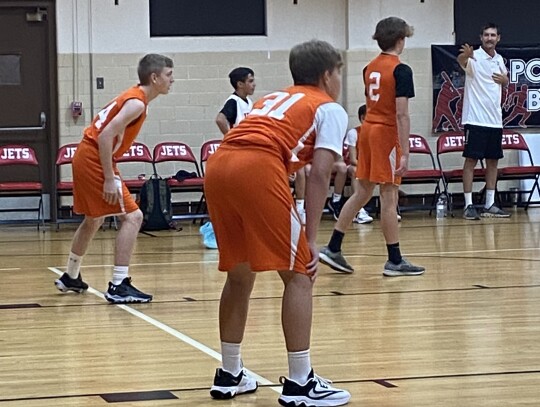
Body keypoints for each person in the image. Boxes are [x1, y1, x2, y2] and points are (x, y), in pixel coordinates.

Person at [205, 40, 351, 406]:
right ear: (327, 75)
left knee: (239, 274)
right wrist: (312, 238)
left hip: (219, 166)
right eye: (339, 72)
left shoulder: (271, 98)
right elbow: (319, 175)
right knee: (301, 273)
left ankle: (229, 373)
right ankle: (301, 382)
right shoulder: (330, 108)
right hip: (257, 167)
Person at [54, 54, 174, 303]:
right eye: (169, 75)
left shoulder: (136, 98)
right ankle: (118, 285)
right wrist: (109, 177)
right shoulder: (137, 103)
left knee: (94, 219)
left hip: (87, 155)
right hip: (94, 158)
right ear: (154, 77)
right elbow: (105, 135)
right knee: (133, 216)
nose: (173, 80)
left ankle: (71, 276)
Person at [319, 16, 425, 277]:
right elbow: (401, 114)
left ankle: (333, 246)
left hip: (367, 131)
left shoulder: (370, 67)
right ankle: (395, 260)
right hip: (386, 135)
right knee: (389, 197)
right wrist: (406, 151)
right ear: (401, 40)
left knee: (363, 192)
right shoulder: (401, 70)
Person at [458, 23, 510, 220]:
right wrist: (465, 56)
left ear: (498, 38)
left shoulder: (499, 60)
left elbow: (504, 81)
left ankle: (490, 203)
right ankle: (468, 205)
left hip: (495, 121)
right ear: (481, 38)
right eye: (486, 35)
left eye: (493, 35)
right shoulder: (474, 57)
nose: (489, 38)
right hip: (475, 119)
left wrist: (505, 81)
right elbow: (461, 61)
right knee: (471, 160)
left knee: (493, 161)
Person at [200, 67, 257, 249]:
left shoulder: (249, 102)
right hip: (235, 154)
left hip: (247, 154)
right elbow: (220, 119)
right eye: (250, 81)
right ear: (240, 84)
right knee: (232, 195)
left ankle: (235, 230)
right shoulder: (233, 102)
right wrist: (232, 137)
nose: (254, 84)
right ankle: (213, 228)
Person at [344, 104, 374, 224]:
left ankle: (390, 209)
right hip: (353, 165)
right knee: (356, 170)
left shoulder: (377, 134)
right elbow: (352, 159)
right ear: (363, 118)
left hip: (370, 166)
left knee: (387, 172)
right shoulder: (354, 133)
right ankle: (359, 211)